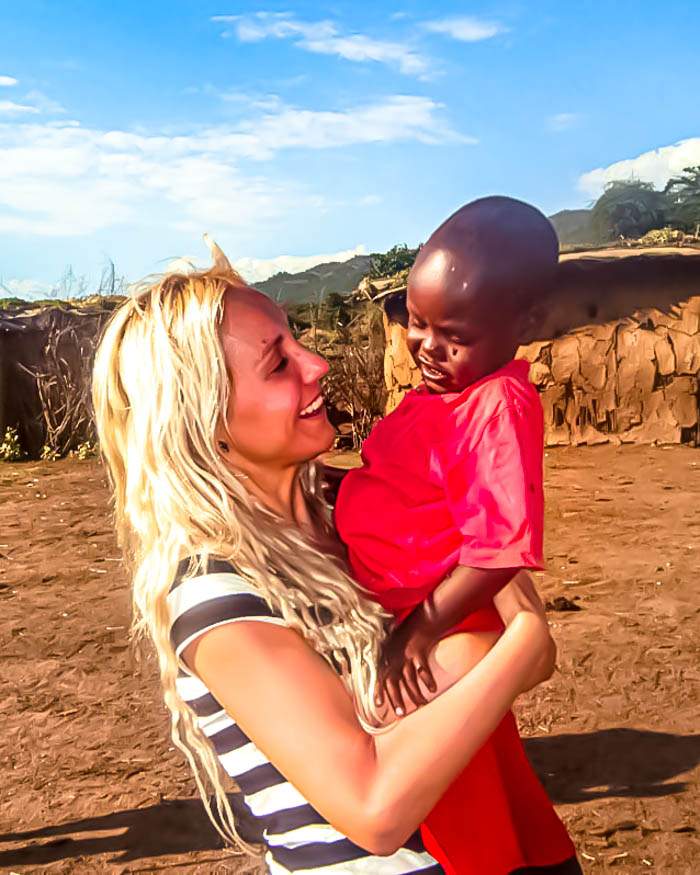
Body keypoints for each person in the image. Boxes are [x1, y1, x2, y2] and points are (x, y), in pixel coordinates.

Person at [92, 242, 561, 874]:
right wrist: (520, 638)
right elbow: (374, 807)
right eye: (278, 363)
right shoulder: (214, 589)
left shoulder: (356, 504)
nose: (317, 364)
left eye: (297, 340)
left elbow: (494, 573)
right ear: (204, 419)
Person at [335, 196, 580, 873]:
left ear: (525, 321)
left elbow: (501, 548)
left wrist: (419, 629)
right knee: (485, 786)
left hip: (437, 629)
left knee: (456, 804)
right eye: (416, 323)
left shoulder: (494, 405)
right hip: (410, 616)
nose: (426, 347)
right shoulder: (442, 397)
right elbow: (399, 489)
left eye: (455, 334)